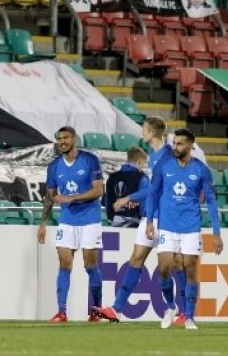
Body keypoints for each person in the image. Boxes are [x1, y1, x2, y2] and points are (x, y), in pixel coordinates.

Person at [93, 117, 188, 326]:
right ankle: (116, 309)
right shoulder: (154, 157)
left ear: (153, 133)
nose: (141, 133)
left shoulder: (168, 156)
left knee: (175, 265)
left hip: (168, 219)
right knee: (136, 259)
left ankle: (183, 310)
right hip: (151, 217)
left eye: (144, 129)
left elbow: (158, 189)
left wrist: (128, 198)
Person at [145, 128, 223, 330]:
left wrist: (216, 233)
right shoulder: (164, 165)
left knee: (189, 267)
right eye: (174, 143)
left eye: (180, 144)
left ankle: (189, 316)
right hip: (167, 225)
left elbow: (212, 203)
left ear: (190, 146)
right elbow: (153, 194)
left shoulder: (201, 170)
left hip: (190, 226)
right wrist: (149, 222)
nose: (176, 147)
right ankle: (170, 307)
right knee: (163, 268)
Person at [37, 126, 104, 323]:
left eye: (66, 138)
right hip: (67, 221)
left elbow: (98, 190)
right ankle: (62, 312)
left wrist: (71, 198)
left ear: (74, 139)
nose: (62, 142)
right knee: (64, 264)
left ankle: (96, 309)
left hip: (90, 219)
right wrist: (43, 223)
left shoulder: (89, 160)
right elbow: (50, 196)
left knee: (90, 265)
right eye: (59, 139)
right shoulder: (54, 166)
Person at [105, 147, 148, 228]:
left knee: (110, 241)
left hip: (114, 221)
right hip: (135, 222)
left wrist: (110, 219)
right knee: (131, 241)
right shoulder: (142, 178)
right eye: (143, 164)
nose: (142, 167)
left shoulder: (111, 177)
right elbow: (144, 207)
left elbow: (107, 202)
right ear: (139, 162)